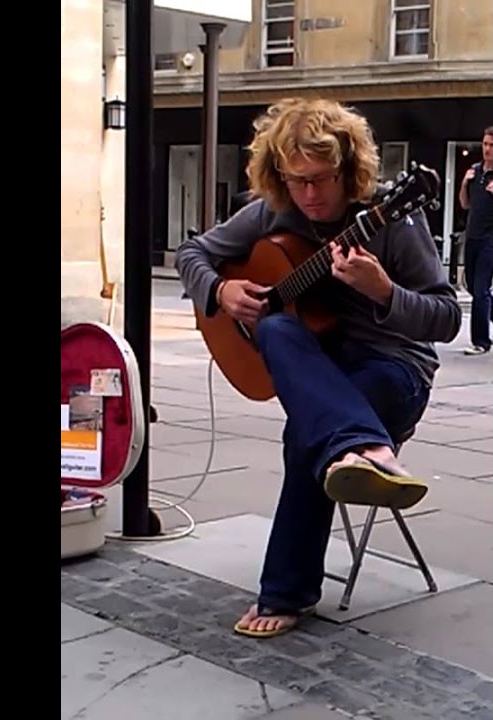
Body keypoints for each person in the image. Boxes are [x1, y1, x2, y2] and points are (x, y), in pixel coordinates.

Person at [175, 98, 461, 638]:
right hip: (321, 374)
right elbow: (195, 252)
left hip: (395, 371)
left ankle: (287, 592)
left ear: (348, 170)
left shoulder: (392, 217)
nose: (309, 195)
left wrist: (385, 292)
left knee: (306, 436)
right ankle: (363, 449)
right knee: (279, 327)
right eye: (296, 180)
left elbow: (446, 318)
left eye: (323, 179)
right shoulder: (276, 209)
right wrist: (220, 288)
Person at [458, 126, 493, 354]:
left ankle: (481, 341)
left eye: (492, 146)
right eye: (485, 144)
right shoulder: (475, 170)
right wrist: (463, 183)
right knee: (473, 286)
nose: (488, 149)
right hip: (472, 236)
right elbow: (464, 204)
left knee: (481, 288)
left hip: (491, 239)